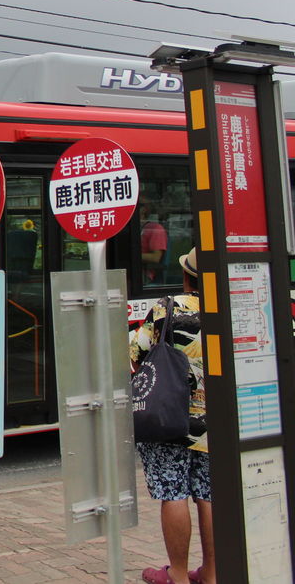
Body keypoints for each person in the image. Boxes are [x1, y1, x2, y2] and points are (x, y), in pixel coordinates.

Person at [130, 248, 213, 584]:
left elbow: (136, 352)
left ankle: (177, 574)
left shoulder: (169, 308)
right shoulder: (232, 305)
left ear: (186, 277)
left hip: (169, 418)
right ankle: (212, 573)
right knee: (210, 494)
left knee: (173, 493)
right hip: (216, 423)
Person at [140, 203, 168, 283]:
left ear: (143, 210)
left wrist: (131, 256)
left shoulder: (155, 229)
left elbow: (155, 257)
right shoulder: (132, 229)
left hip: (144, 275)